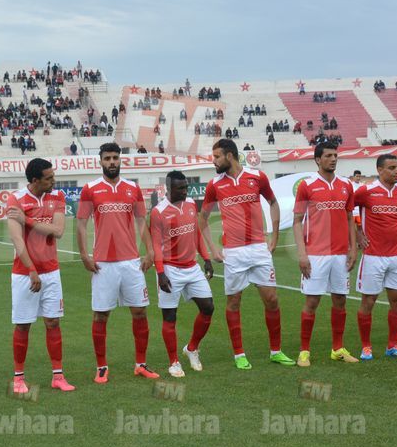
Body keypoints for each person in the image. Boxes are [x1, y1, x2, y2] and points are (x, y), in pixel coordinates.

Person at [199, 138, 294, 369]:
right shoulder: (214, 185)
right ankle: (239, 354)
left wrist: (274, 236)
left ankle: (276, 351)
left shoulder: (257, 177)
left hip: (259, 249)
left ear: (229, 156)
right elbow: (202, 219)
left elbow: (273, 203)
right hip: (233, 252)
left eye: (217, 157)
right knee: (234, 302)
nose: (214, 161)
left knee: (272, 300)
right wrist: (213, 249)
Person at [76, 142, 159, 383]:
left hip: (131, 262)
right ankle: (101, 366)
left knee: (140, 312)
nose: (112, 162)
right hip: (103, 264)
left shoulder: (133, 188)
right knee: (101, 315)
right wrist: (84, 255)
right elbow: (81, 223)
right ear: (100, 161)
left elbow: (142, 222)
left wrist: (150, 251)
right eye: (107, 158)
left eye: (115, 158)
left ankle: (140, 364)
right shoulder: (90, 189)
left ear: (120, 160)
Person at [5, 158, 75, 393]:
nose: (54, 181)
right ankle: (18, 379)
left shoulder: (57, 197)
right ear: (35, 180)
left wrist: (27, 220)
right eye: (49, 178)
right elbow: (17, 239)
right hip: (24, 274)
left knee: (53, 322)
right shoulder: (16, 199)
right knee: (23, 325)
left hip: (52, 272)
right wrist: (32, 269)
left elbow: (58, 231)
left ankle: (58, 376)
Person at [293, 142, 358, 366]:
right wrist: (302, 254)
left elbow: (349, 218)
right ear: (318, 160)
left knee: (340, 300)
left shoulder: (346, 185)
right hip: (315, 254)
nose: (333, 159)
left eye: (335, 155)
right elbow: (297, 221)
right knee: (312, 301)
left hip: (340, 253)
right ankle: (304, 351)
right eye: (328, 155)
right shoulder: (307, 185)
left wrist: (353, 248)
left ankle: (337, 349)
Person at [150, 171, 214, 377]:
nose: (185, 191)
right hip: (170, 269)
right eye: (180, 188)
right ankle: (174, 362)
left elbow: (196, 234)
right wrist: (160, 273)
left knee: (208, 308)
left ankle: (192, 348)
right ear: (169, 188)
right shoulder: (158, 212)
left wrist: (206, 258)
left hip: (192, 267)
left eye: (186, 187)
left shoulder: (190, 204)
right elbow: (156, 246)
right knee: (170, 316)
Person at [354, 155, 397, 359]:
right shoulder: (366, 190)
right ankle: (366, 346)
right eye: (391, 168)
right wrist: (358, 233)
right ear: (380, 170)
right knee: (369, 301)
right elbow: (348, 208)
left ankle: (393, 345)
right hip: (373, 256)